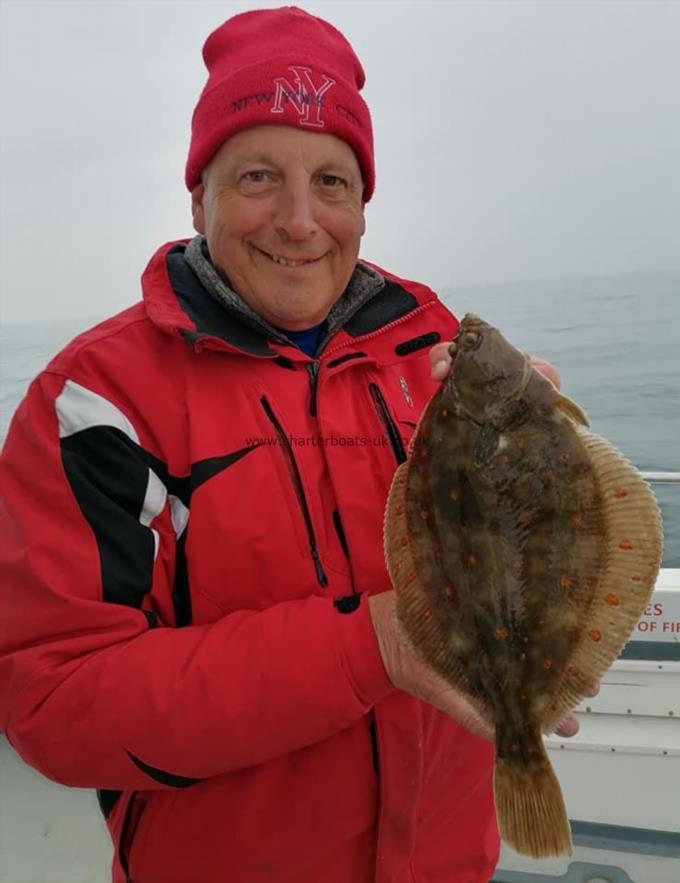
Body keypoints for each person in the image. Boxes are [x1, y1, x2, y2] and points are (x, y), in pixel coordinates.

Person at [0, 7, 579, 882]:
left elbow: (544, 543)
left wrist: (540, 474)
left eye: (335, 182)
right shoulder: (95, 401)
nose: (301, 221)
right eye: (259, 176)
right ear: (198, 194)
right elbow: (55, 698)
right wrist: (373, 646)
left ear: (363, 202)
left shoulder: (433, 357)